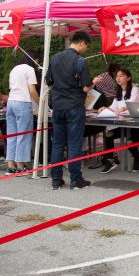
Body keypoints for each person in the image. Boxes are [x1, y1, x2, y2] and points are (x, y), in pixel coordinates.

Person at [45, 30, 93, 190]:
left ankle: (56, 179)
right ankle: (75, 179)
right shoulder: (80, 61)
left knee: (57, 143)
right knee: (74, 143)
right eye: (87, 46)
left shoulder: (55, 58)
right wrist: (93, 83)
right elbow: (86, 88)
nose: (86, 49)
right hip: (74, 105)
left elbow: (48, 80)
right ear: (82, 43)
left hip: (58, 106)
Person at [97, 68, 139, 174]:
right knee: (108, 133)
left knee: (130, 141)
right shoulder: (118, 91)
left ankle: (137, 159)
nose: (118, 78)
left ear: (128, 78)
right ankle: (110, 160)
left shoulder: (134, 89)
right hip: (122, 124)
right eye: (117, 76)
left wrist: (121, 109)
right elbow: (113, 107)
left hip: (134, 124)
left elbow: (131, 104)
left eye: (122, 75)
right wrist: (104, 108)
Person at [4, 52, 40, 175]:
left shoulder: (14, 69)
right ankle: (20, 166)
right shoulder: (30, 69)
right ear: (32, 59)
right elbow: (32, 91)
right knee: (24, 134)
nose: (37, 62)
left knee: (12, 134)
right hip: (23, 103)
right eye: (36, 60)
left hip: (11, 102)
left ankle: (10, 165)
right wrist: (41, 104)